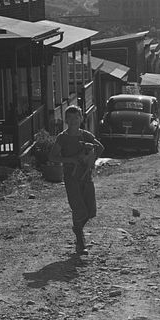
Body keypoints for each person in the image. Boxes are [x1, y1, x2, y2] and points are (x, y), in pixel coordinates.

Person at [49, 105, 104, 254]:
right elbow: (53, 156)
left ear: (81, 119)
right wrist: (71, 160)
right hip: (71, 178)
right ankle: (80, 241)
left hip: (86, 177)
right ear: (66, 120)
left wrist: (90, 158)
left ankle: (77, 228)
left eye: (76, 117)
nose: (73, 121)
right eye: (70, 118)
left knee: (90, 211)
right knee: (79, 209)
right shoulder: (62, 138)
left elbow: (100, 148)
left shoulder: (86, 135)